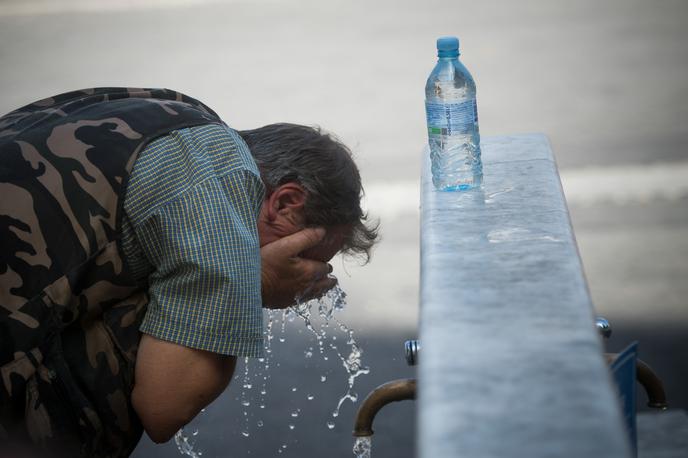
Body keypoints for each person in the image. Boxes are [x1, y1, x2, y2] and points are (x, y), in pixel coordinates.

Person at [0, 87, 378, 457]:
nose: (305, 280)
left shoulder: (169, 112)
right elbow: (164, 407)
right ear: (285, 203)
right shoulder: (221, 182)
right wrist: (256, 281)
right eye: (304, 256)